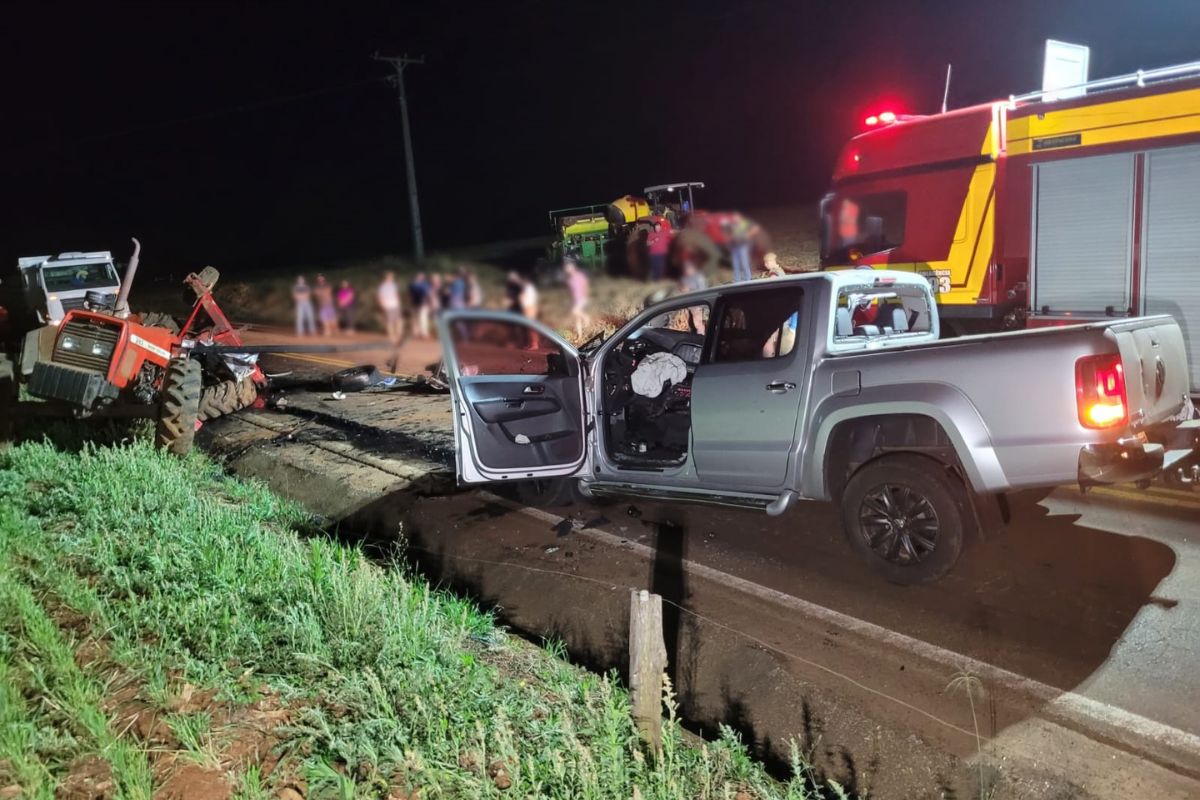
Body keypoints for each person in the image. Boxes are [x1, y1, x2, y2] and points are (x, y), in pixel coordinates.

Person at [563, 259, 591, 340]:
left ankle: (586, 317)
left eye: (568, 267)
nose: (567, 269)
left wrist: (587, 296)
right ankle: (579, 337)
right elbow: (570, 292)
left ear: (573, 267)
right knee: (577, 320)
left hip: (582, 298)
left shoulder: (580, 276)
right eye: (566, 268)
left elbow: (586, 286)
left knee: (574, 312)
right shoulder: (569, 280)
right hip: (575, 300)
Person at [727, 215, 757, 283]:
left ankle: (748, 278)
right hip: (734, 247)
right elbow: (728, 235)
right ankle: (737, 280)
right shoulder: (731, 225)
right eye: (734, 219)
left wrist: (748, 235)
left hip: (742, 246)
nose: (735, 220)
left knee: (744, 262)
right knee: (735, 264)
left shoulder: (744, 223)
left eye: (737, 218)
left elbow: (755, 228)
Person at [377, 271, 403, 342]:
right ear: (386, 277)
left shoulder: (394, 285)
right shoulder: (382, 286)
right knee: (390, 321)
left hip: (395, 304)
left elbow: (396, 294)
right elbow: (380, 296)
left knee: (399, 320)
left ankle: (399, 335)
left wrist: (398, 303)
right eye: (389, 277)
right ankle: (392, 337)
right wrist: (382, 304)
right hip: (388, 305)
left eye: (392, 277)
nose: (391, 278)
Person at [408, 272, 431, 339]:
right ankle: (417, 333)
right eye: (420, 276)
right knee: (416, 319)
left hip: (422, 303)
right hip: (416, 303)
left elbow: (428, 294)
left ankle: (423, 333)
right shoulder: (413, 284)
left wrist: (429, 303)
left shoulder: (424, 284)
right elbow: (410, 294)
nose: (421, 278)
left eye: (422, 277)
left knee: (422, 319)